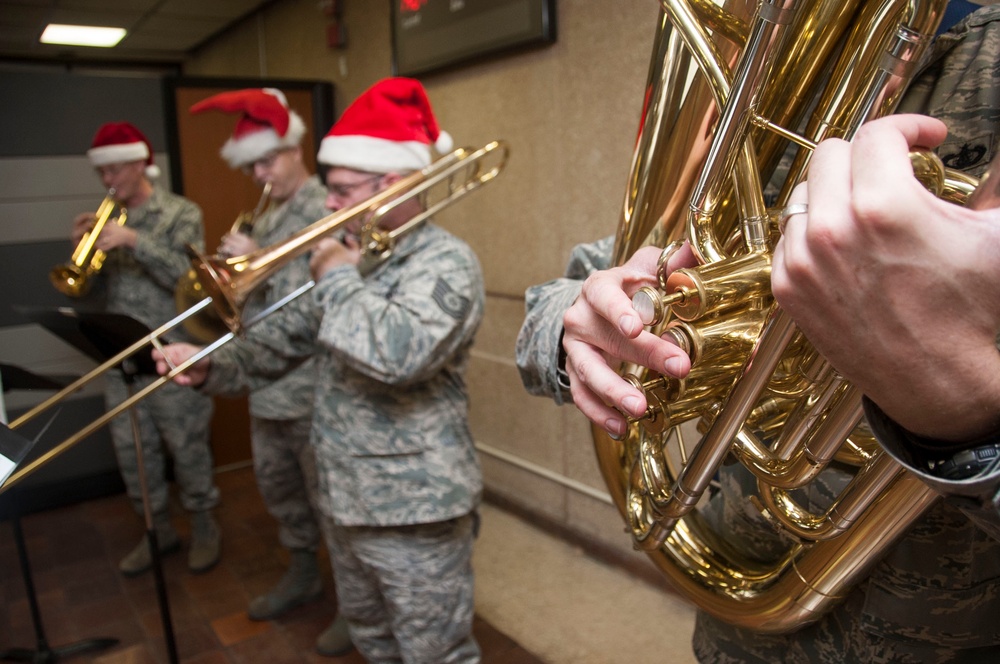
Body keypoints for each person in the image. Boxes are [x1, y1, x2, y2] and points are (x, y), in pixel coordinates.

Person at [516, 5, 1000, 663]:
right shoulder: (798, 55)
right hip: (737, 619)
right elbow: (607, 273)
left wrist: (969, 416)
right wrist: (580, 330)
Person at [154, 78, 484, 662]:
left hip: (415, 511)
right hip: (344, 498)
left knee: (435, 652)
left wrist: (334, 276)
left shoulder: (446, 260)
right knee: (373, 640)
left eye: (341, 192)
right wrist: (208, 367)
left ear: (392, 184)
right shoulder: (353, 255)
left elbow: (398, 355)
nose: (328, 205)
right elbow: (281, 344)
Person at [189, 88, 340, 624]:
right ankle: (302, 573)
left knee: (334, 504)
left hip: (315, 385)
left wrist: (259, 264)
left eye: (267, 158)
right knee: (281, 491)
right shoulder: (266, 213)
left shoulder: (326, 206)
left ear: (295, 147)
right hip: (265, 383)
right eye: (253, 163)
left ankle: (352, 601)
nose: (260, 172)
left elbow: (324, 295)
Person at [71, 122, 221, 577]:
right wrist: (83, 253)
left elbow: (189, 281)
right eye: (103, 172)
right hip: (122, 358)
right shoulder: (104, 219)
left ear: (140, 163)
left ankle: (205, 528)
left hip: (173, 349)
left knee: (187, 445)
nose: (108, 180)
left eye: (115, 169)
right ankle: (156, 532)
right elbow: (90, 296)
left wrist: (136, 242)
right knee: (134, 452)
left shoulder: (180, 213)